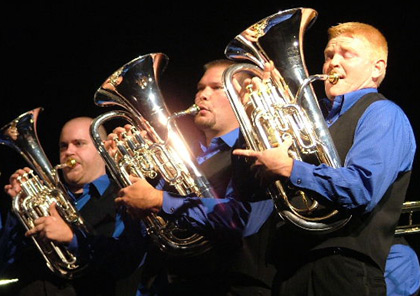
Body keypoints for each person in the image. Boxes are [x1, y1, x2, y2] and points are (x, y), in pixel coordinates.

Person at [233, 22, 416, 295]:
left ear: (377, 68)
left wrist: (290, 167)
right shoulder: (310, 118)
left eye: (347, 54)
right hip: (289, 269)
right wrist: (250, 116)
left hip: (343, 271)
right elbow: (248, 190)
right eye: (329, 55)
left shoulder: (382, 113)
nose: (332, 63)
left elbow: (362, 187)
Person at [110, 59, 276, 296]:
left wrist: (159, 200)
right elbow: (145, 238)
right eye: (200, 88)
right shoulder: (179, 159)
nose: (202, 95)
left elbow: (241, 218)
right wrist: (127, 175)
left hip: (228, 285)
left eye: (217, 87)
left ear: (243, 96)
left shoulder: (253, 150)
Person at [0, 116, 146, 296]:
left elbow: (125, 259)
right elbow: (5, 263)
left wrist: (71, 238)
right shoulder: (43, 201)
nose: (69, 151)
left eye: (79, 143)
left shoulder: (124, 195)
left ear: (102, 148)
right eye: (63, 145)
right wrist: (18, 212)